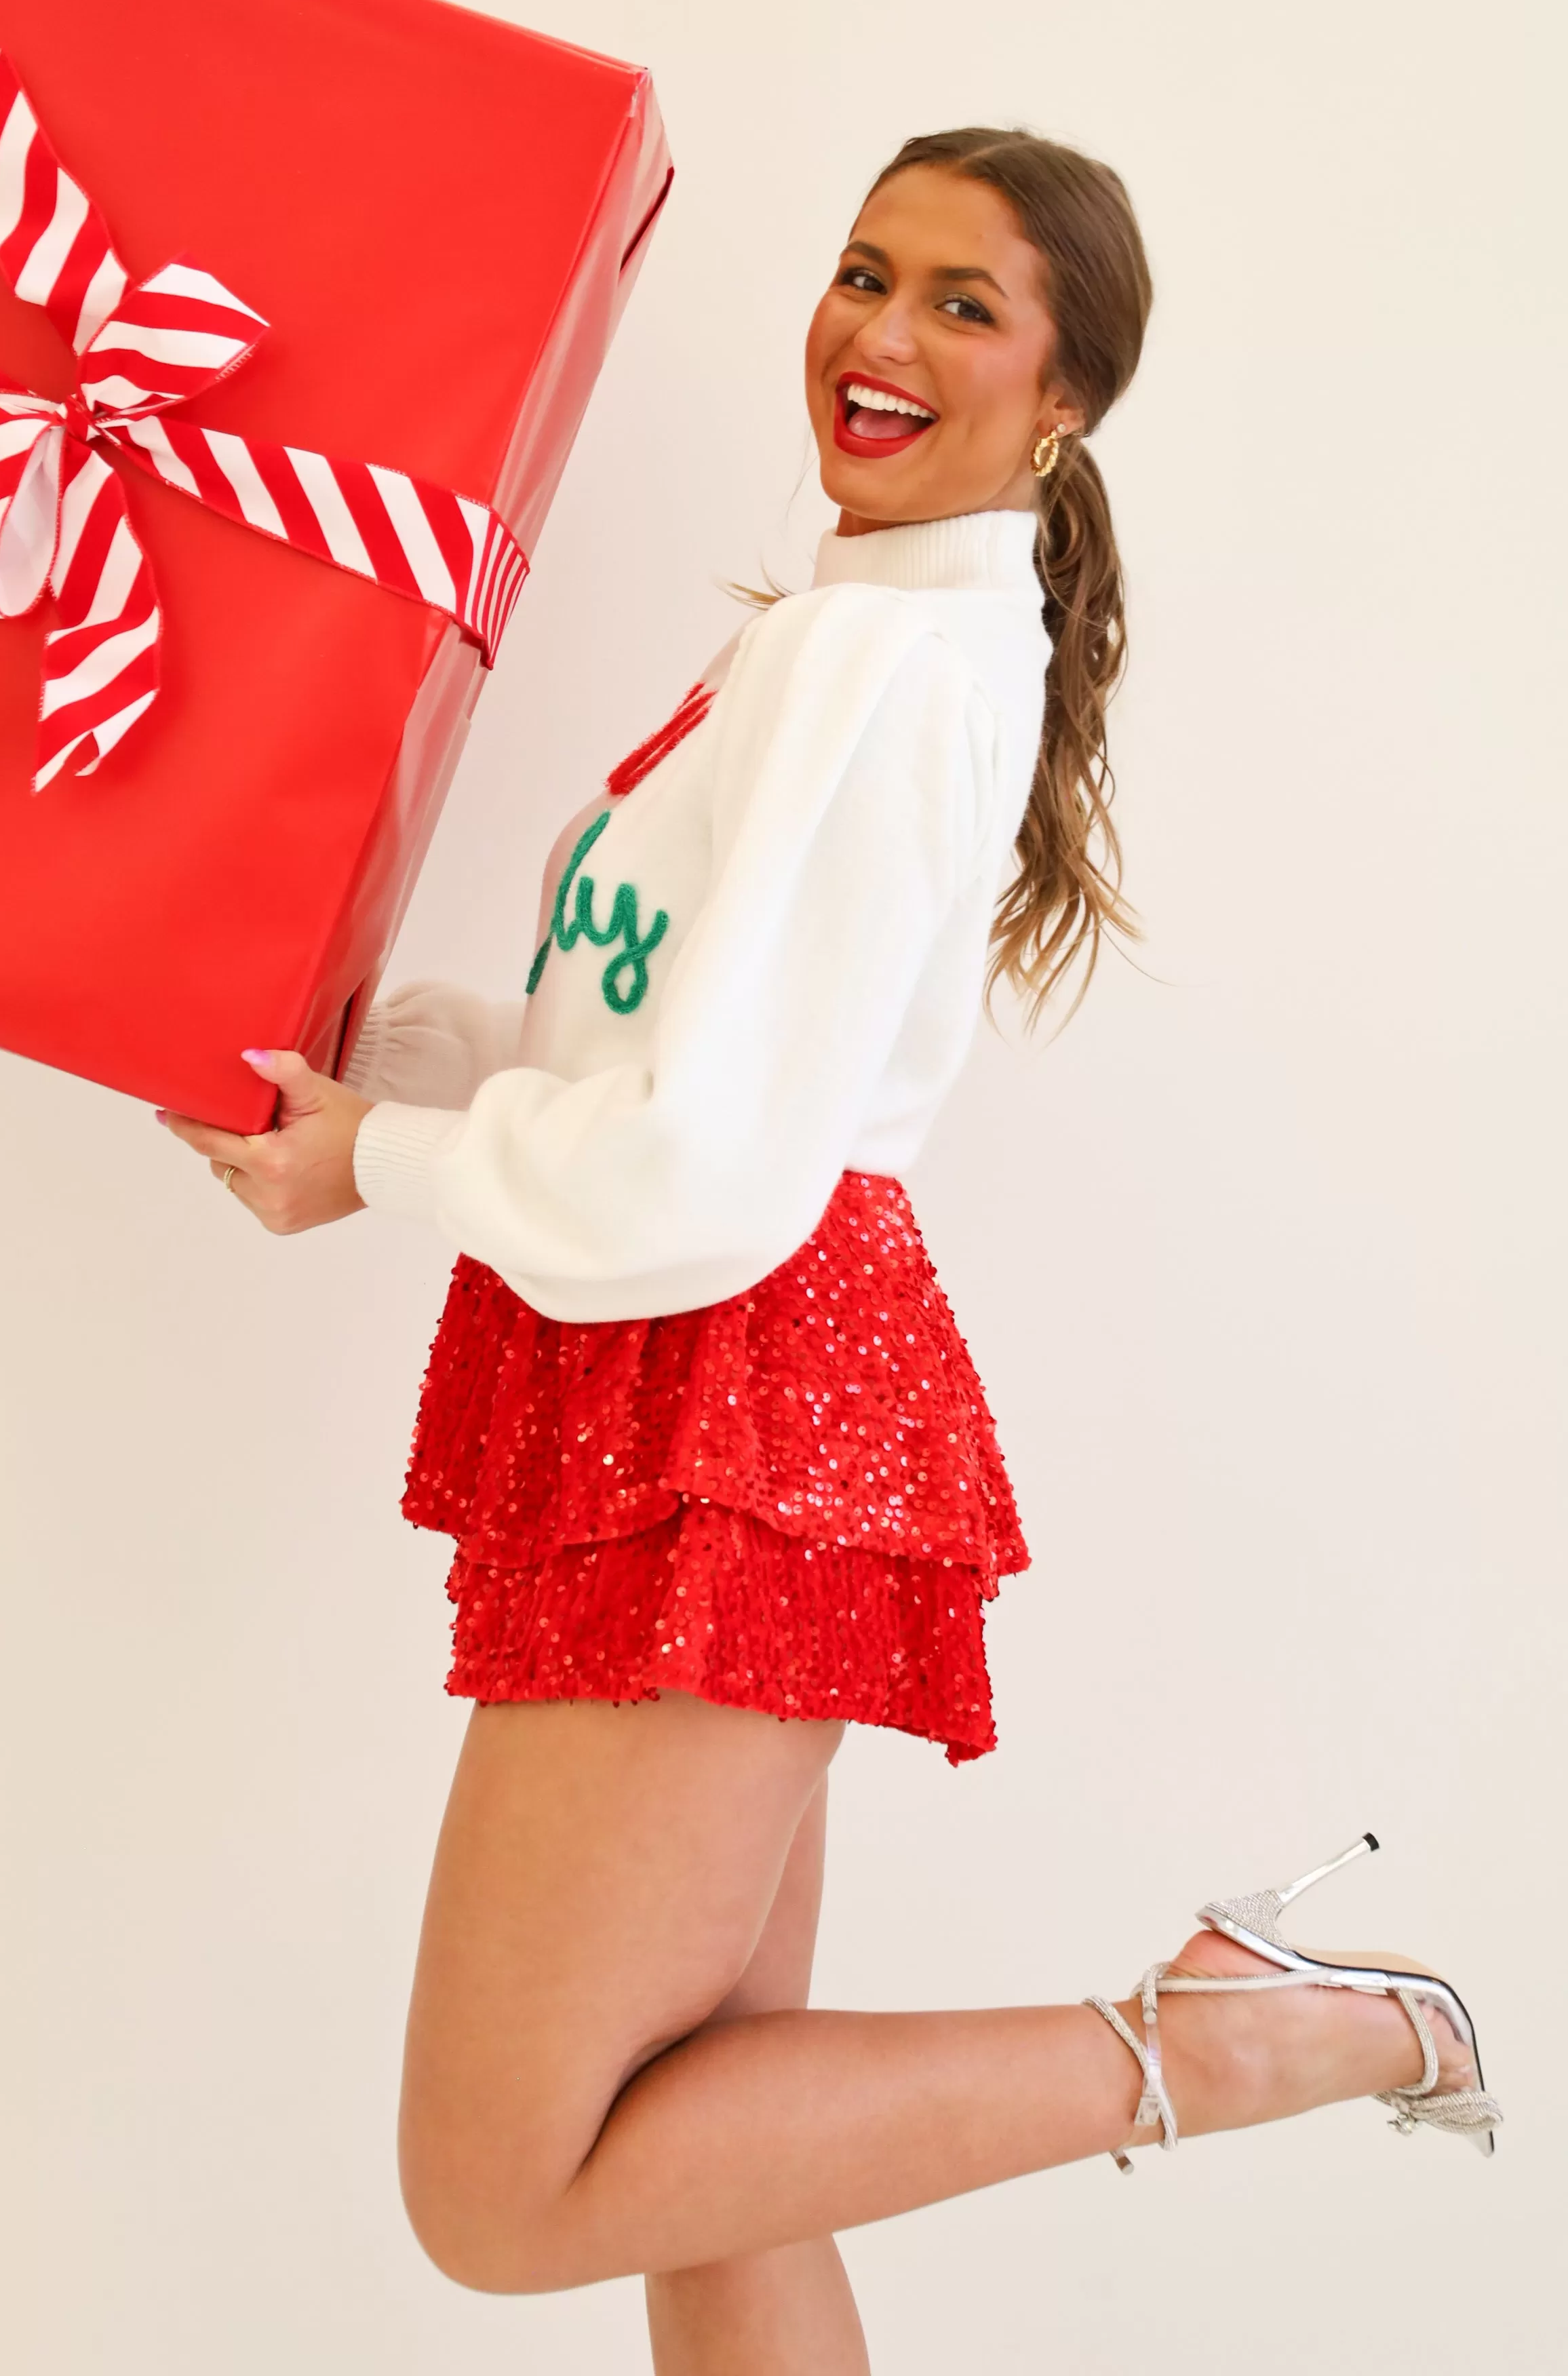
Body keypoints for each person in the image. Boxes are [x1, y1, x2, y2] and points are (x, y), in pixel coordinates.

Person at [161, 130, 1497, 2373]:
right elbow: (637, 1041)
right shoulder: (851, 634)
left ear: (1065, 400)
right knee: (711, 2155)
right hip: (704, 1369)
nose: (878, 336)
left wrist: (379, 1162)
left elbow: (709, 1167)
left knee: (506, 2188)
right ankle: (1223, 2029)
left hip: (735, 1384)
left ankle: (1225, 2036)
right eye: (866, 272)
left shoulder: (894, 670)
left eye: (965, 306)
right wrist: (356, 1055)